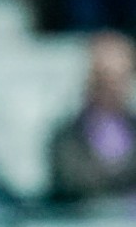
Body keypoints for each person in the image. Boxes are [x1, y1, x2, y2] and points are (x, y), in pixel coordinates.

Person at [50, 30, 136, 201]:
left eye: (119, 79)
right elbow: (73, 182)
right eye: (104, 78)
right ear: (90, 79)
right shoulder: (66, 137)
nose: (112, 88)